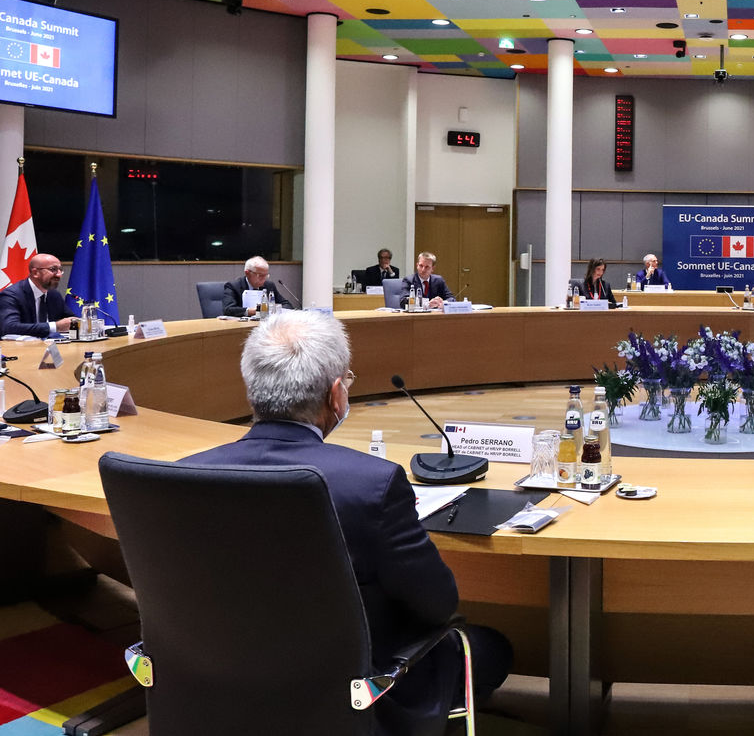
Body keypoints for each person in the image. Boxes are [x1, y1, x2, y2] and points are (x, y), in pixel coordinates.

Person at [181, 311, 511, 733]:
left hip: (219, 687)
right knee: (492, 648)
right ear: (336, 395)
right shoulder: (372, 484)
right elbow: (438, 605)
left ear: (251, 390)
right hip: (353, 694)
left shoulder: (185, 475)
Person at [0, 253, 77, 338]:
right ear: (35, 273)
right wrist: (55, 326)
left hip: (51, 344)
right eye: (53, 269)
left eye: (60, 270)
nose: (59, 275)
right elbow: (9, 328)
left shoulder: (53, 295)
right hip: (21, 345)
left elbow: (70, 320)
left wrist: (82, 322)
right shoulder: (11, 295)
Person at [222, 256, 289, 318]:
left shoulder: (269, 285)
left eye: (266, 275)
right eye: (260, 275)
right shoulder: (233, 286)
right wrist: (255, 311)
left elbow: (287, 305)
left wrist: (275, 308)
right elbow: (228, 309)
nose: (264, 279)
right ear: (247, 273)